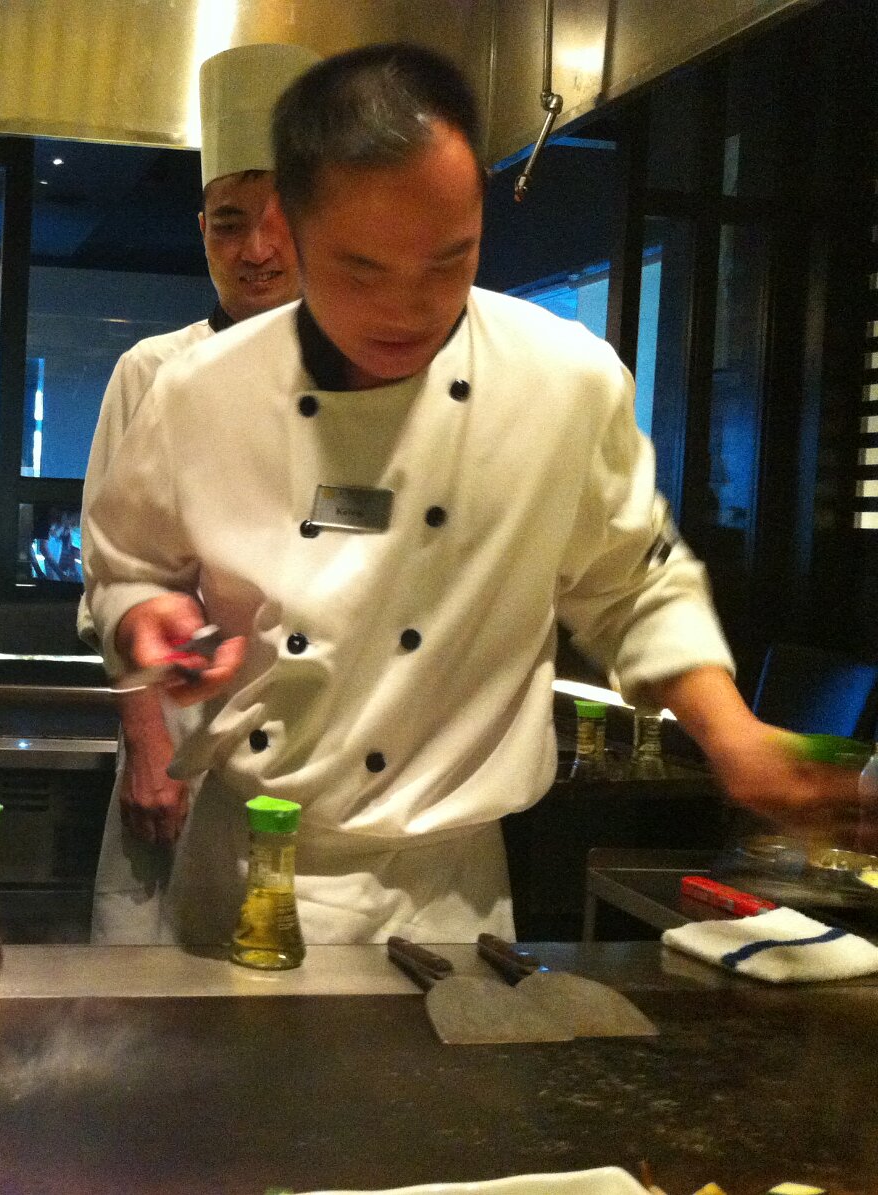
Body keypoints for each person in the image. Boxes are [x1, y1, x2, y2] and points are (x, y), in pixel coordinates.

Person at [82, 43, 856, 946]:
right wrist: (149, 621)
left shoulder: (564, 382)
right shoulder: (199, 390)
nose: (410, 307)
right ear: (293, 227)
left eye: (448, 261)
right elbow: (127, 567)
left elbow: (634, 582)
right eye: (364, 269)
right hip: (246, 865)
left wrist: (735, 738)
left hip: (449, 890)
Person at [80, 43, 318, 944]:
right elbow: (114, 580)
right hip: (180, 744)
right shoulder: (152, 370)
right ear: (202, 231)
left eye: (281, 220)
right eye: (229, 224)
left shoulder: (364, 378)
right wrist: (148, 742)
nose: (257, 250)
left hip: (311, 763)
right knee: (153, 984)